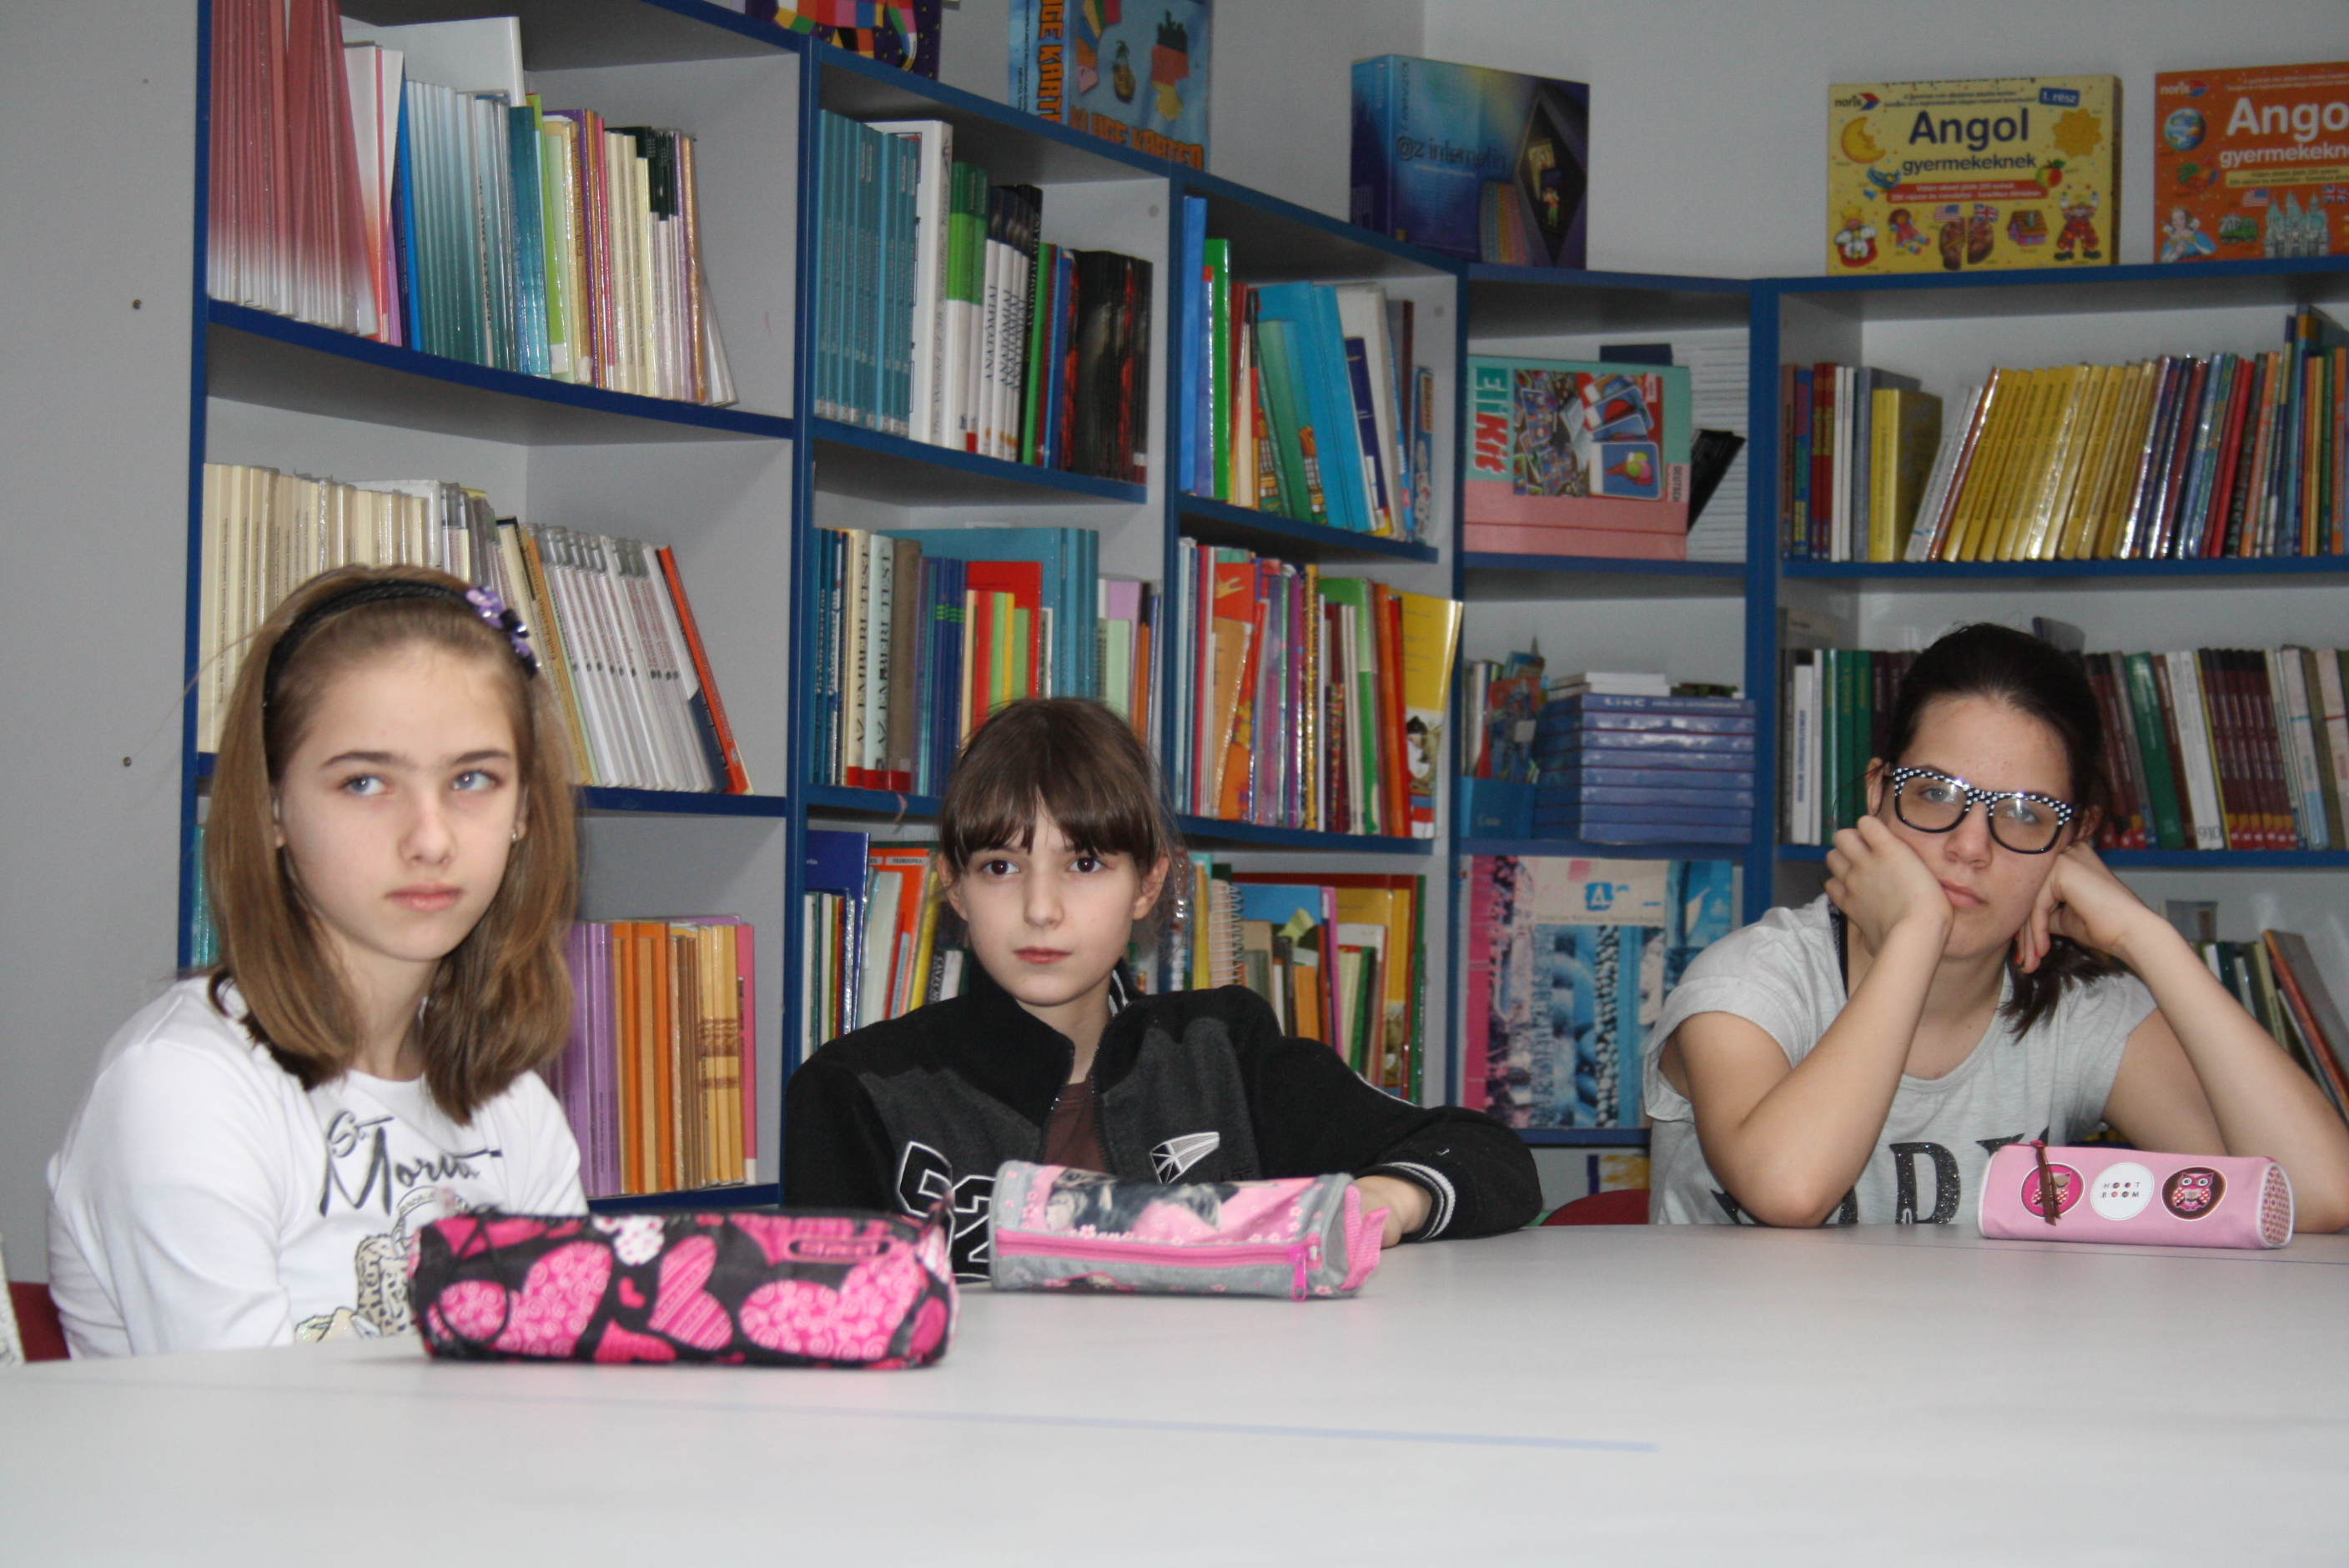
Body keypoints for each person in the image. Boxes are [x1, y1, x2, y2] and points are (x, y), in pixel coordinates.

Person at [786, 697, 1541, 1275]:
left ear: (1148, 884)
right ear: (954, 885)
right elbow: (818, 1319)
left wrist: (1387, 1198)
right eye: (1000, 867)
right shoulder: (857, 1090)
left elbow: (1486, 1155)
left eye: (1085, 864)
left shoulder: (1220, 1051)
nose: (1041, 909)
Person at [1645, 623, 2349, 1230]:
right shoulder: (1751, 984)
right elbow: (1789, 1190)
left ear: (2074, 839)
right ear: (1877, 793)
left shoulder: (2079, 1016)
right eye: (1935, 793)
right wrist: (1916, 934)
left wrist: (2145, 938)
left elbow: (2318, 1197)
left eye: (2024, 813)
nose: (1970, 846)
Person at [48, 568, 587, 1354]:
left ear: (524, 810)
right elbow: (249, 1429)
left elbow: (567, 1396)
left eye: (472, 779)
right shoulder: (182, 1084)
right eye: (365, 782)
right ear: (273, 807)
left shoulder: (513, 1108)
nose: (430, 838)